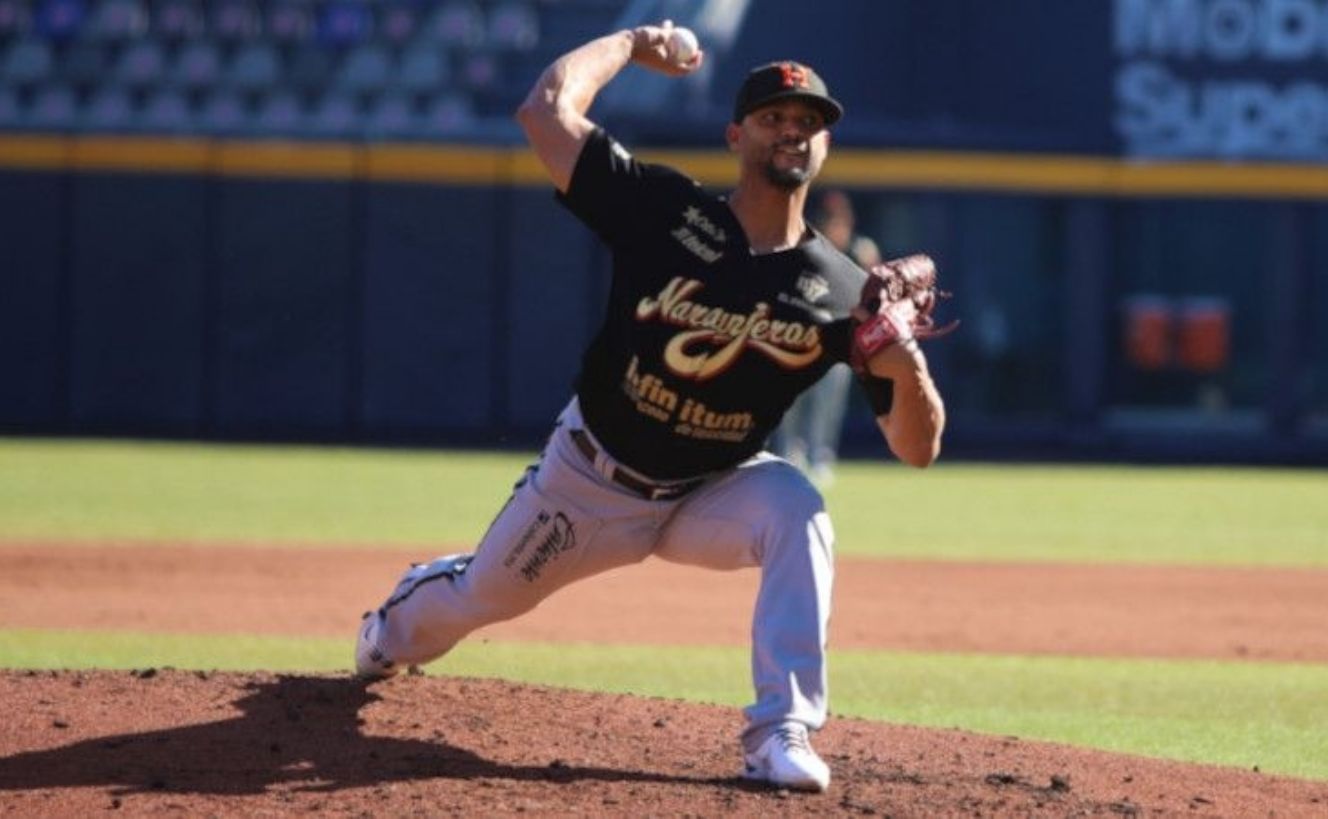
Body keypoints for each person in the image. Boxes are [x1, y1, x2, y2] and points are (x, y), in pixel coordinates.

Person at [354, 22, 946, 794]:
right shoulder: (664, 211)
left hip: (712, 490)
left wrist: (906, 364)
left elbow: (917, 448)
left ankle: (781, 730)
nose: (791, 131)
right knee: (477, 598)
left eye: (808, 122)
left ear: (825, 145)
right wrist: (632, 44)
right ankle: (389, 628)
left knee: (799, 509)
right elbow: (543, 113)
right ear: (735, 135)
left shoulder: (842, 292)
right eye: (772, 116)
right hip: (591, 479)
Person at [773, 190, 881, 486]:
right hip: (802, 337)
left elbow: (875, 296)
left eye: (841, 220)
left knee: (828, 404)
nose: (837, 226)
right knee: (793, 402)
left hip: (839, 343)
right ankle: (791, 454)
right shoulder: (807, 247)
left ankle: (820, 457)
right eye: (832, 220)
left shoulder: (860, 250)